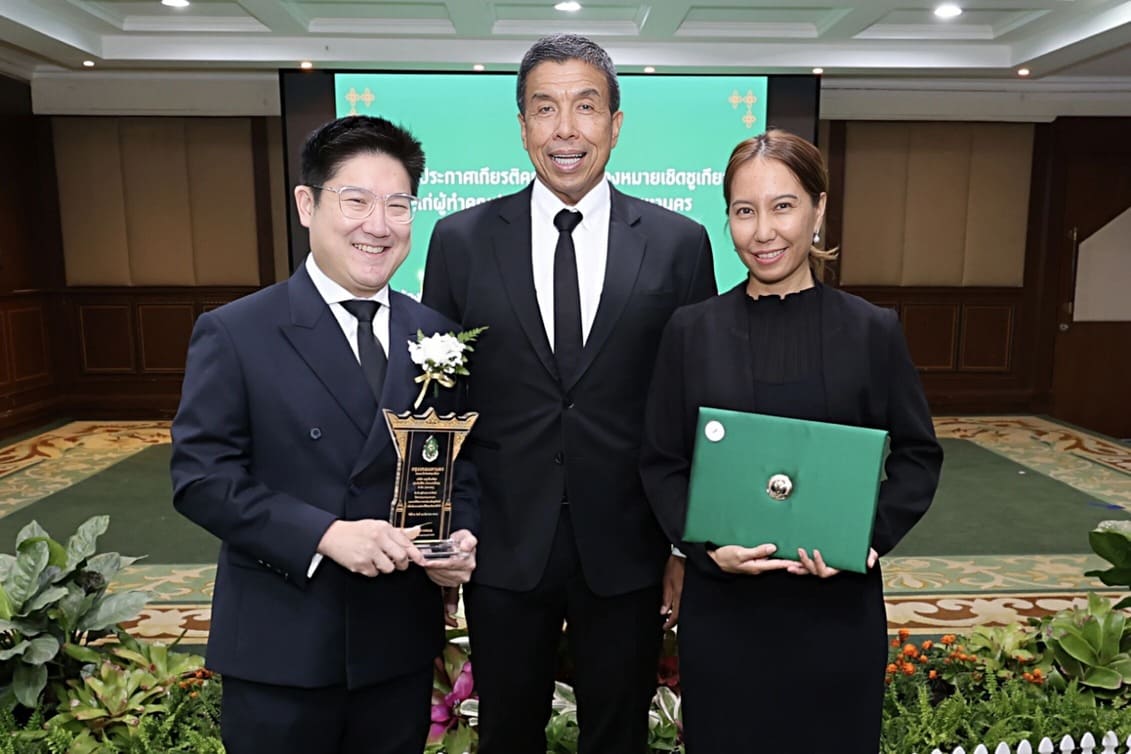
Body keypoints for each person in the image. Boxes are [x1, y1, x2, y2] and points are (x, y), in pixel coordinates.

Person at [422, 33, 717, 754]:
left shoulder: (678, 243)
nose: (565, 129)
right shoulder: (460, 240)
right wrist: (440, 532)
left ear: (615, 124)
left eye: (585, 107)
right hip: (501, 544)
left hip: (628, 544)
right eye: (544, 108)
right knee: (505, 733)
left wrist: (684, 544)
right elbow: (439, 404)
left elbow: (695, 407)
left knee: (618, 734)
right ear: (522, 125)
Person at [170, 115, 479, 754]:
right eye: (356, 200)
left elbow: (460, 466)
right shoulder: (237, 331)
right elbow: (202, 479)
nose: (379, 225)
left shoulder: (437, 335)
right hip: (283, 644)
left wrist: (461, 537)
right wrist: (325, 534)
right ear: (307, 205)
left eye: (398, 205)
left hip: (395, 645)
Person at [639, 129, 943, 753]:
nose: (763, 231)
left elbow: (918, 455)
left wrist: (867, 538)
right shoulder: (692, 331)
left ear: (818, 209)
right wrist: (703, 548)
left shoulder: (871, 331)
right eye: (744, 211)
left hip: (836, 615)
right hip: (725, 615)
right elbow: (662, 461)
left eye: (783, 207)